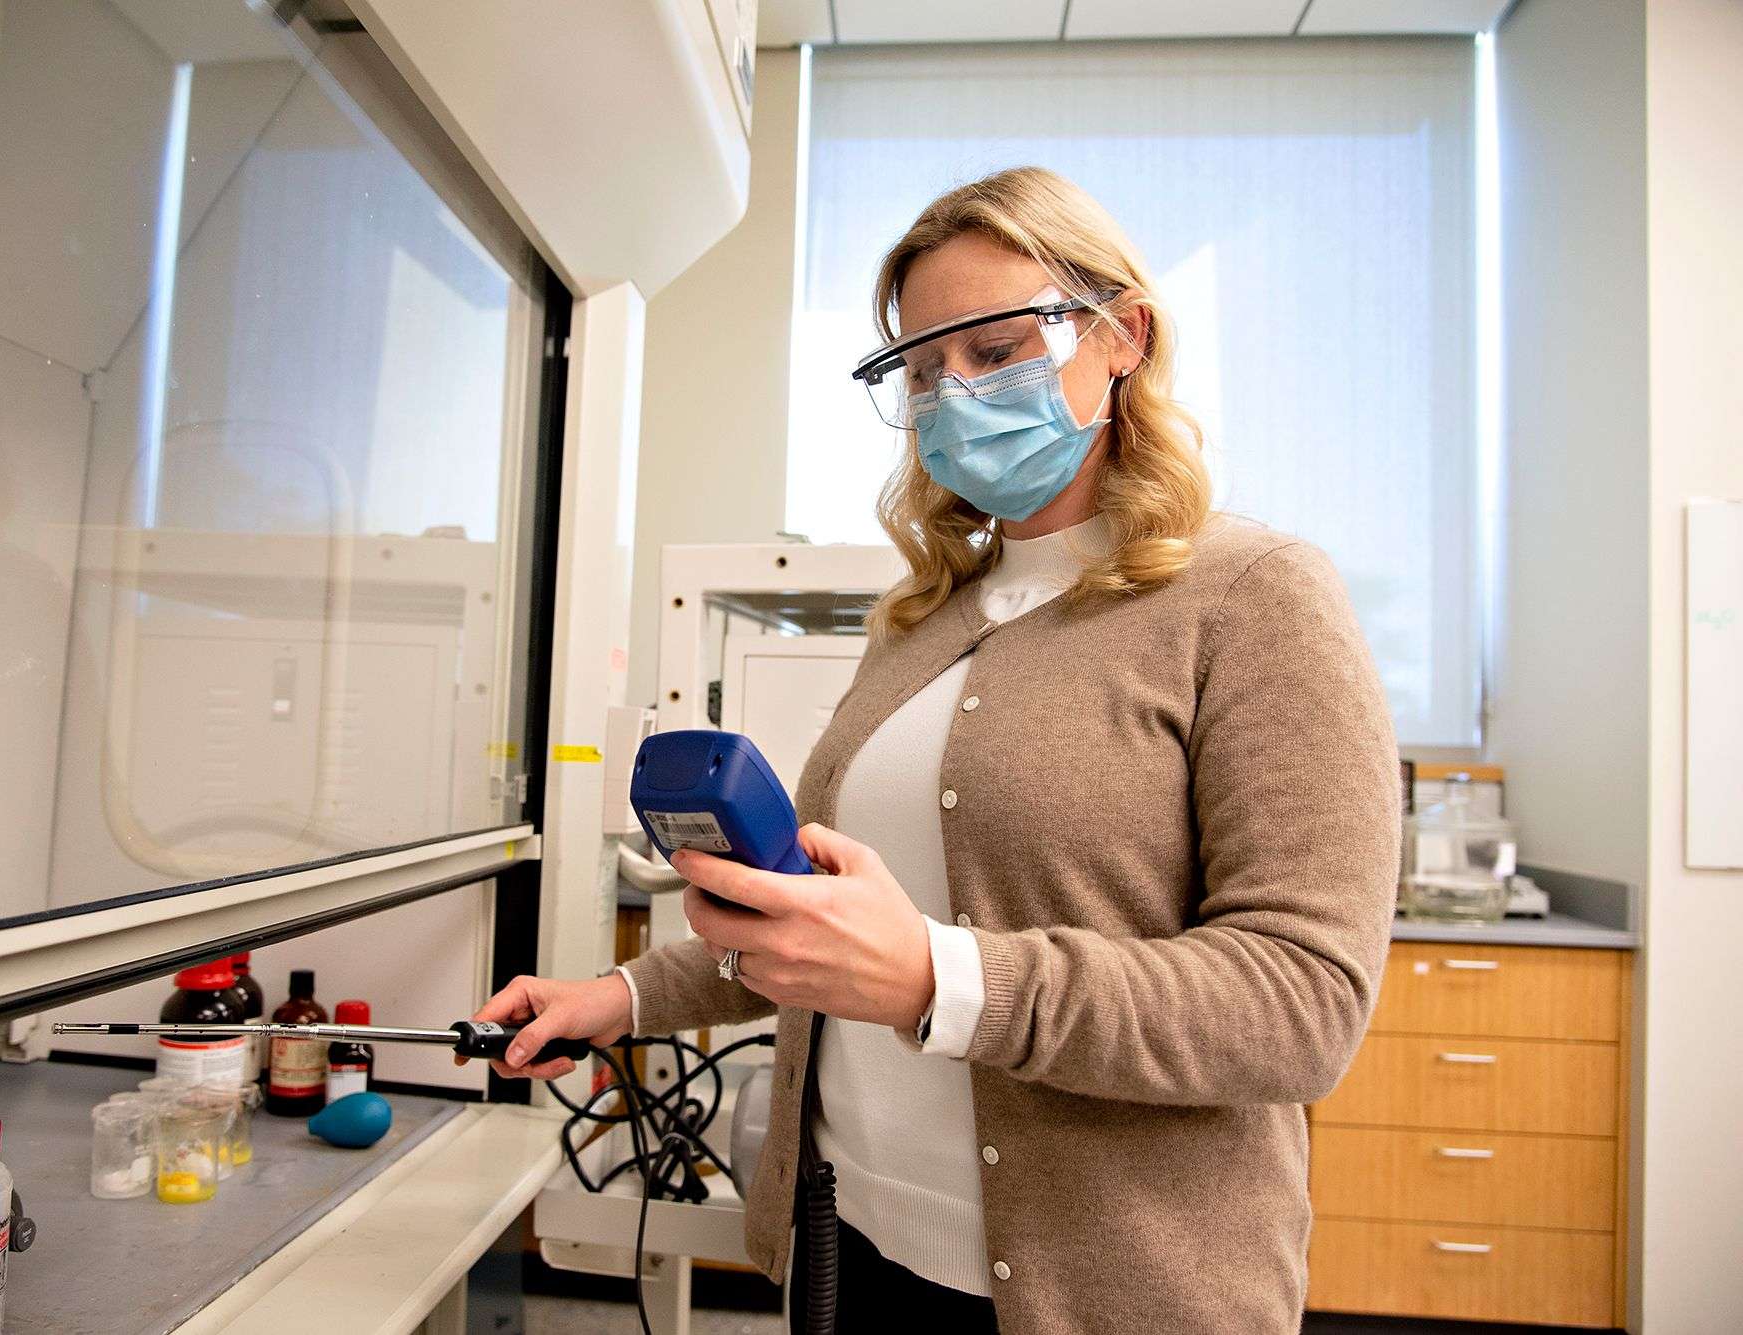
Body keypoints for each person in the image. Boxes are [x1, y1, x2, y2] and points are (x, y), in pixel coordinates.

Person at [471, 166, 1400, 1333]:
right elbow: (819, 921)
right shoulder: (923, 618)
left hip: (1108, 1290)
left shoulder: (1253, 598)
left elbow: (1298, 1005)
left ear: (1122, 335)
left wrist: (935, 979)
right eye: (919, 370)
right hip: (849, 1247)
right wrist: (617, 996)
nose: (953, 395)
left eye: (997, 348)